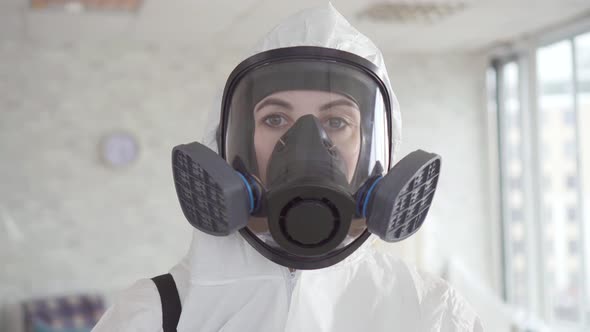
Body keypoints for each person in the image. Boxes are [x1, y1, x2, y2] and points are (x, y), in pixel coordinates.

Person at [92, 4, 483, 332]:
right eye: (276, 120)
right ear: (233, 145)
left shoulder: (431, 312)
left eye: (337, 122)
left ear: (373, 150)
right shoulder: (155, 314)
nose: (307, 142)